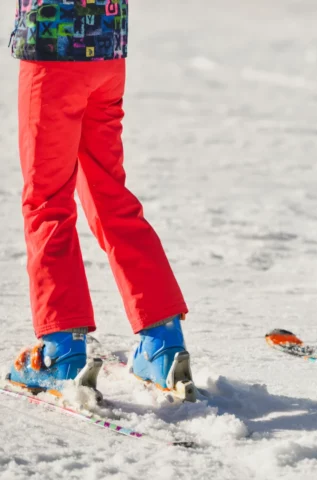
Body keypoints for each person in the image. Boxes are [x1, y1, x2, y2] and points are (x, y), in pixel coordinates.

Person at [8, 0, 196, 400]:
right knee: (108, 193)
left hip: (52, 53)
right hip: (106, 51)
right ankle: (162, 339)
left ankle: (62, 347)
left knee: (47, 200)